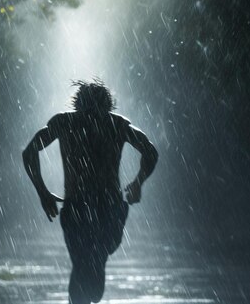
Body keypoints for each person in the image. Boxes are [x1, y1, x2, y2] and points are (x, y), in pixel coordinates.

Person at [22, 79, 158, 304]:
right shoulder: (114, 125)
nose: (92, 119)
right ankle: (84, 296)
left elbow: (29, 153)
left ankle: (86, 295)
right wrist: (137, 183)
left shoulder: (68, 123)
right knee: (88, 262)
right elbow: (150, 152)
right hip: (98, 208)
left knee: (88, 264)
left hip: (90, 208)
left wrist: (43, 192)